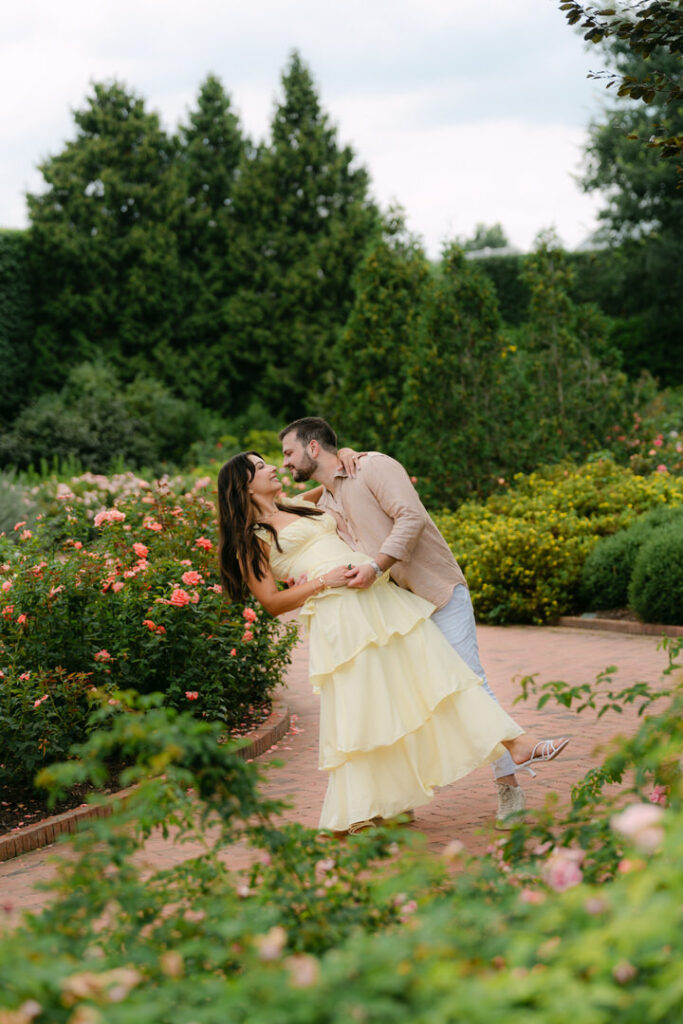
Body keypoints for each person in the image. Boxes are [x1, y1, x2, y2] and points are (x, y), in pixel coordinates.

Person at [217, 450, 569, 835]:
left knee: (436, 673)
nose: (272, 467)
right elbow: (270, 602)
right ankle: (374, 801)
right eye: (261, 466)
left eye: (272, 460)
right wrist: (322, 582)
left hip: (379, 597)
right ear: (244, 484)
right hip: (342, 615)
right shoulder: (248, 540)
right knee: (368, 705)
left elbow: (336, 476)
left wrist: (347, 453)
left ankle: (512, 744)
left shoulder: (299, 505)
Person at [279, 417, 534, 829]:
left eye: (289, 453)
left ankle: (509, 786)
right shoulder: (324, 506)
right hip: (391, 612)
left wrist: (378, 565)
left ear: (312, 448)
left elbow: (410, 519)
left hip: (435, 593)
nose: (285, 463)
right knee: (399, 701)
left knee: (469, 684)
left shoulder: (375, 466)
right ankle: (399, 798)